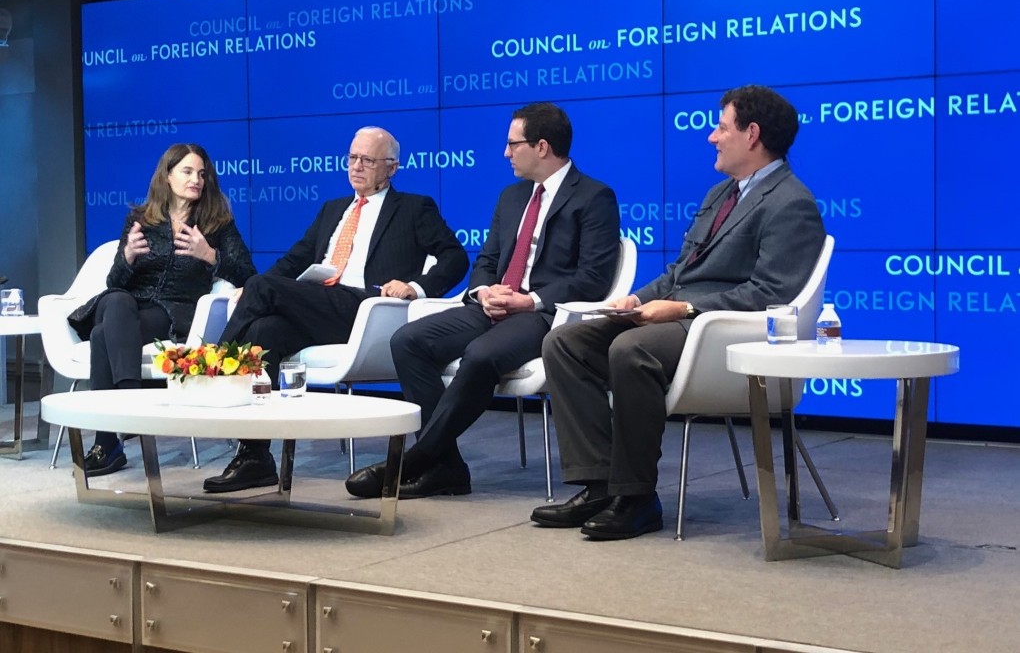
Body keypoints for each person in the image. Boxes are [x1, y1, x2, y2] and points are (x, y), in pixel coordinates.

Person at [532, 85, 826, 541]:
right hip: (681, 320)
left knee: (632, 349)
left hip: (724, 333)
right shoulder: (721, 193)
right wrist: (635, 300)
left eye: (721, 128)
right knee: (565, 343)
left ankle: (636, 498)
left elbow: (771, 293)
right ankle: (598, 485)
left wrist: (686, 307)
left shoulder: (791, 202)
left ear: (752, 134)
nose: (712, 137)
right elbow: (679, 272)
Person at [345, 102, 620, 500]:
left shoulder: (594, 197)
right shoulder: (511, 197)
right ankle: (446, 466)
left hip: (542, 315)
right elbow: (487, 261)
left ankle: (416, 459)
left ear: (542, 147)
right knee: (408, 341)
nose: (506, 153)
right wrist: (483, 292)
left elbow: (593, 278)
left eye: (513, 144)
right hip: (490, 307)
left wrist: (531, 301)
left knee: (479, 355)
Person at [203, 126, 469, 494]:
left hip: (365, 310)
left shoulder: (413, 208)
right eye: (352, 158)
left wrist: (415, 286)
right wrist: (251, 290)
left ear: (391, 167)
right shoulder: (332, 209)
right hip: (320, 307)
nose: (356, 166)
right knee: (264, 332)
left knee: (262, 287)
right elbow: (295, 260)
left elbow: (455, 258)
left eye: (367, 160)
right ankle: (255, 457)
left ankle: (211, 370)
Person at [68, 143, 257, 476]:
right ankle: (132, 404)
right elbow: (115, 282)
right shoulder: (140, 219)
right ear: (167, 176)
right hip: (127, 305)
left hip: (173, 313)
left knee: (101, 336)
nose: (196, 180)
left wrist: (209, 255)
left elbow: (249, 275)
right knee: (117, 301)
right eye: (187, 171)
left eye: (202, 174)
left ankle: (107, 444)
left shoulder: (216, 224)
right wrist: (127, 257)